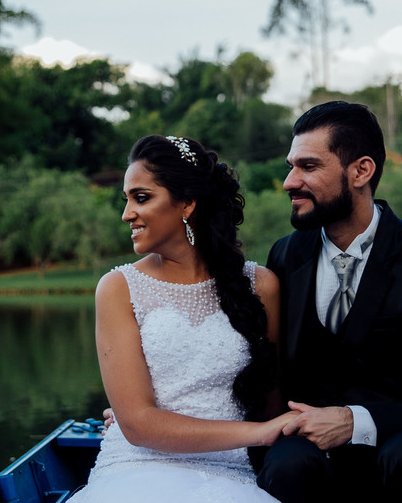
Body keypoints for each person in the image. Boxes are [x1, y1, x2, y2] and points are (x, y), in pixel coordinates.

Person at [258, 101, 402, 503]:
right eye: (291, 166)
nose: (289, 182)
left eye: (308, 167)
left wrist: (354, 422)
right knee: (287, 462)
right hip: (312, 462)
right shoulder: (285, 256)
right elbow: (265, 366)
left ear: (361, 171)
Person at [72, 134, 292, 503]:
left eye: (140, 198)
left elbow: (272, 399)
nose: (126, 213)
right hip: (136, 467)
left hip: (230, 473)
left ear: (187, 203)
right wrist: (260, 432)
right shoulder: (118, 288)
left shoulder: (261, 285)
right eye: (126, 200)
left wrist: (270, 429)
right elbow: (139, 425)